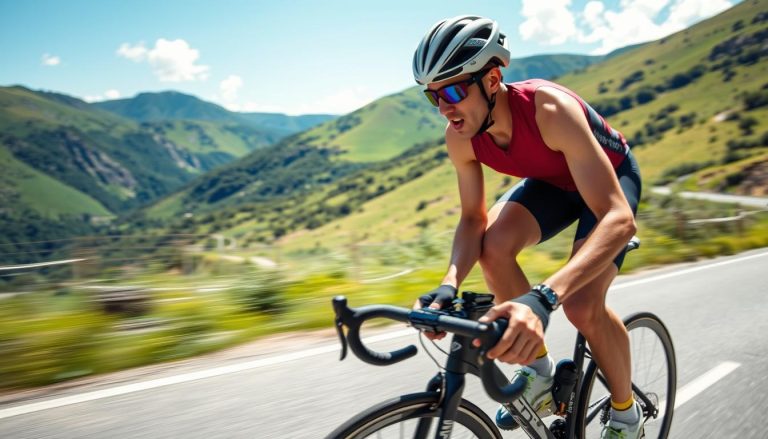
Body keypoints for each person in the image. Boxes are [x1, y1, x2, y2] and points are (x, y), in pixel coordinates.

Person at [411, 15, 643, 439]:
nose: (444, 107)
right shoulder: (459, 136)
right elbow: (471, 218)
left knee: (580, 304)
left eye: (453, 90)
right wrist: (449, 283)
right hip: (554, 183)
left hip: (608, 179)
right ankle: (539, 371)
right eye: (432, 96)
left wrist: (543, 298)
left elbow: (618, 219)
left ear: (493, 79)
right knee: (492, 245)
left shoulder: (550, 110)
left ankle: (627, 416)